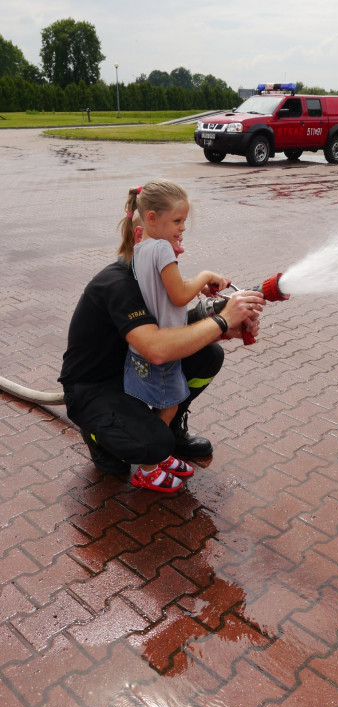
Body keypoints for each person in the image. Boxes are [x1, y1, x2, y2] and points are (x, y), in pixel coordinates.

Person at [59, 191, 265, 493]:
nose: (178, 251)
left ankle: (168, 427)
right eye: (171, 244)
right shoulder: (118, 283)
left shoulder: (152, 275)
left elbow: (174, 324)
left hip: (129, 368)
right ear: (144, 236)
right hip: (93, 387)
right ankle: (98, 436)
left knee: (209, 355)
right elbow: (156, 349)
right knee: (153, 444)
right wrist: (222, 319)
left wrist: (223, 328)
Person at [119, 181, 229, 487]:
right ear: (152, 218)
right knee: (169, 405)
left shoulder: (140, 247)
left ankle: (159, 451)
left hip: (144, 346)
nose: (182, 229)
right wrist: (206, 276)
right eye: (177, 221)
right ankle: (148, 465)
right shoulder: (163, 248)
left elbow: (166, 290)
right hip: (166, 346)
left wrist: (193, 284)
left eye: (183, 221)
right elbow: (179, 295)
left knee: (162, 403)